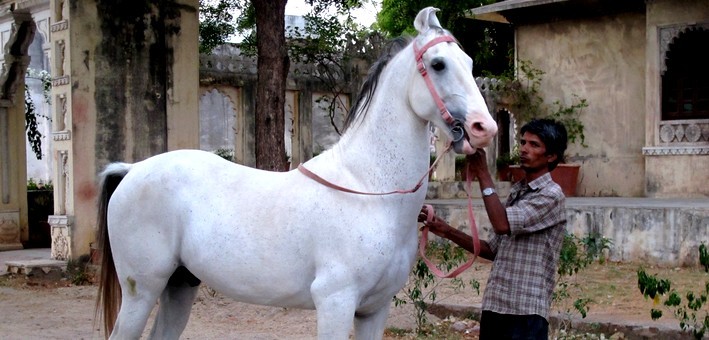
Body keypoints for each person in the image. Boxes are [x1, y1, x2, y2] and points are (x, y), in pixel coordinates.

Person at [420, 118, 568, 340]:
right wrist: (446, 230)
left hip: (526, 312)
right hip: (496, 306)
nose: (525, 149)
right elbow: (493, 250)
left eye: (534, 145)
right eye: (523, 142)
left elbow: (502, 225)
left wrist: (483, 173)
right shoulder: (519, 192)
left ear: (551, 156)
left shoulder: (551, 195)